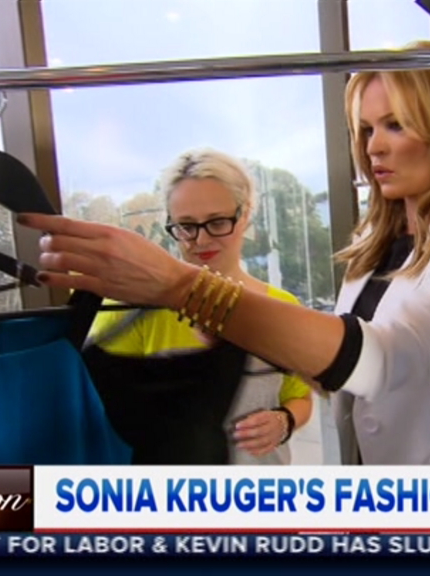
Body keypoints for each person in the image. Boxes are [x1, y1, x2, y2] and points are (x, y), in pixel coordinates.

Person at [19, 41, 430, 465]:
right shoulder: (374, 248)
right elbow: (338, 380)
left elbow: (391, 357)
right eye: (367, 129)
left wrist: (185, 288)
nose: (374, 147)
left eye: (396, 125)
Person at [86, 148, 313, 465]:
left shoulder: (282, 308)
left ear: (245, 214)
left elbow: (299, 397)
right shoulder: (130, 309)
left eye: (217, 222)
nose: (201, 240)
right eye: (186, 226)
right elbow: (96, 415)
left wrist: (284, 421)